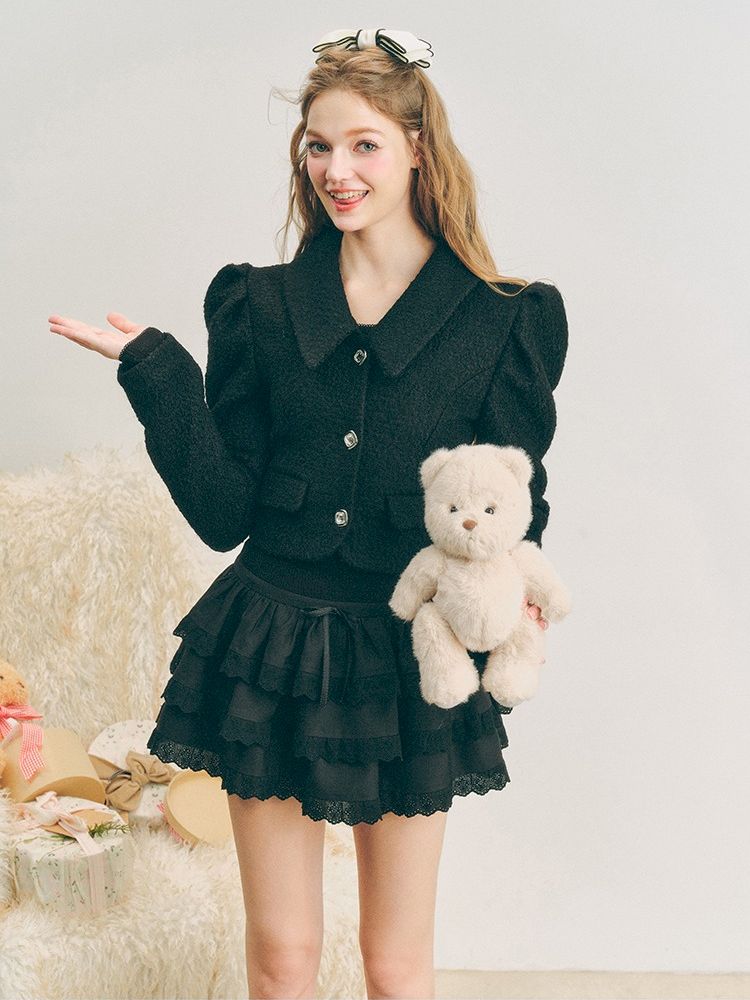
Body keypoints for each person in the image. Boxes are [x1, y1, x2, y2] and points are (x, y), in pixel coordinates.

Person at [47, 27, 568, 1000]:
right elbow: (222, 511)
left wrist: (520, 594)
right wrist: (157, 372)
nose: (337, 170)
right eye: (319, 146)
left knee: (395, 966)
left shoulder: (504, 316)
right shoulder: (258, 305)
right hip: (269, 648)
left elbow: (512, 491)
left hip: (411, 654)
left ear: (418, 147)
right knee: (282, 960)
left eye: (364, 143)